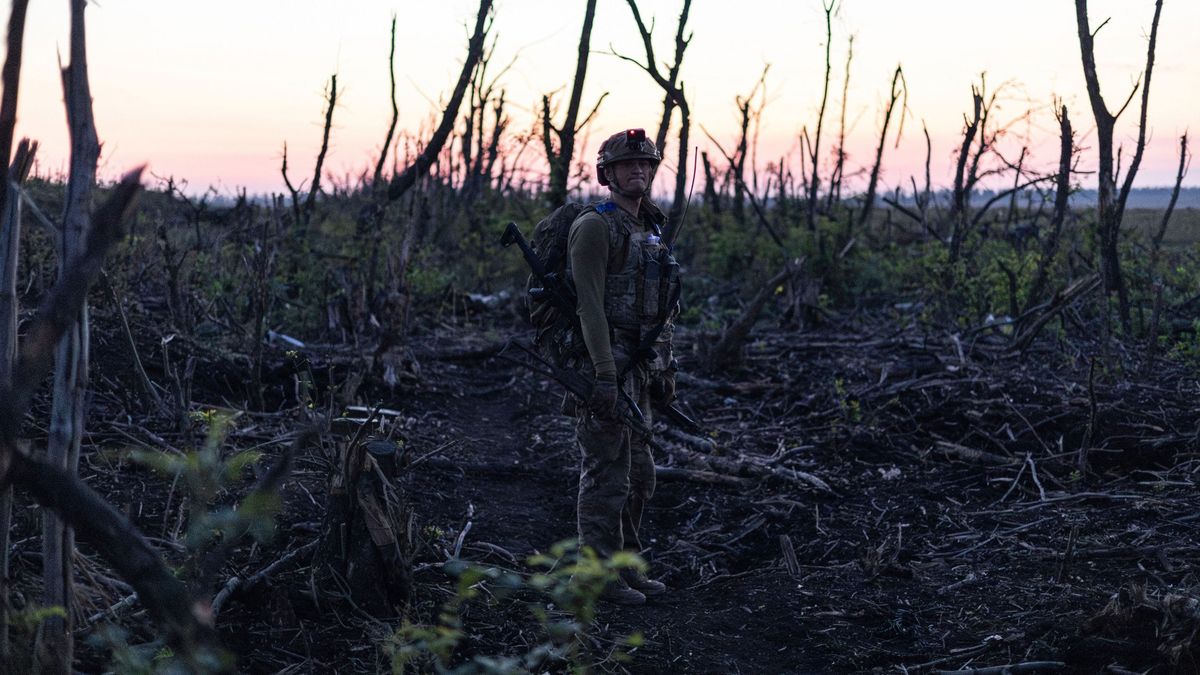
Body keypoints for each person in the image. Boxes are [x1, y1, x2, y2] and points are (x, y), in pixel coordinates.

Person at [567, 128, 680, 605]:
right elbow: (588, 306)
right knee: (606, 477)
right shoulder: (596, 226)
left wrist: (663, 372)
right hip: (604, 368)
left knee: (639, 477)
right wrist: (605, 375)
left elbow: (659, 309)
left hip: (641, 369)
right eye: (627, 165)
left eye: (646, 164)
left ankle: (625, 567)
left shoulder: (649, 228)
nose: (639, 170)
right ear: (607, 173)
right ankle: (591, 578)